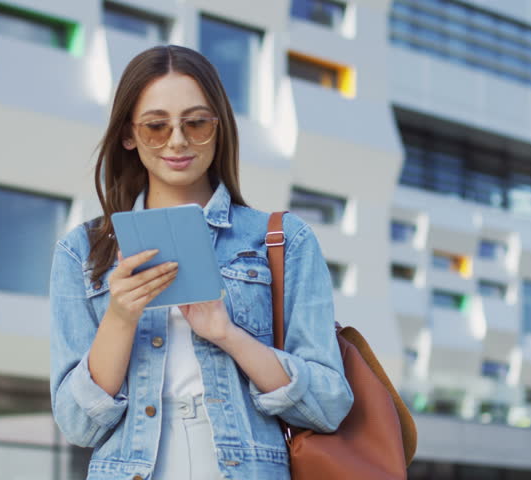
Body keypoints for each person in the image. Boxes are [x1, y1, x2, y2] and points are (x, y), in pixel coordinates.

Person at [49, 45, 353, 480]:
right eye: (156, 126)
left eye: (196, 123)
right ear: (128, 135)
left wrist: (226, 334)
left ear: (219, 129)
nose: (177, 141)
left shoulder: (284, 240)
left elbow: (328, 405)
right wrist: (120, 317)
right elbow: (78, 425)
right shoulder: (81, 252)